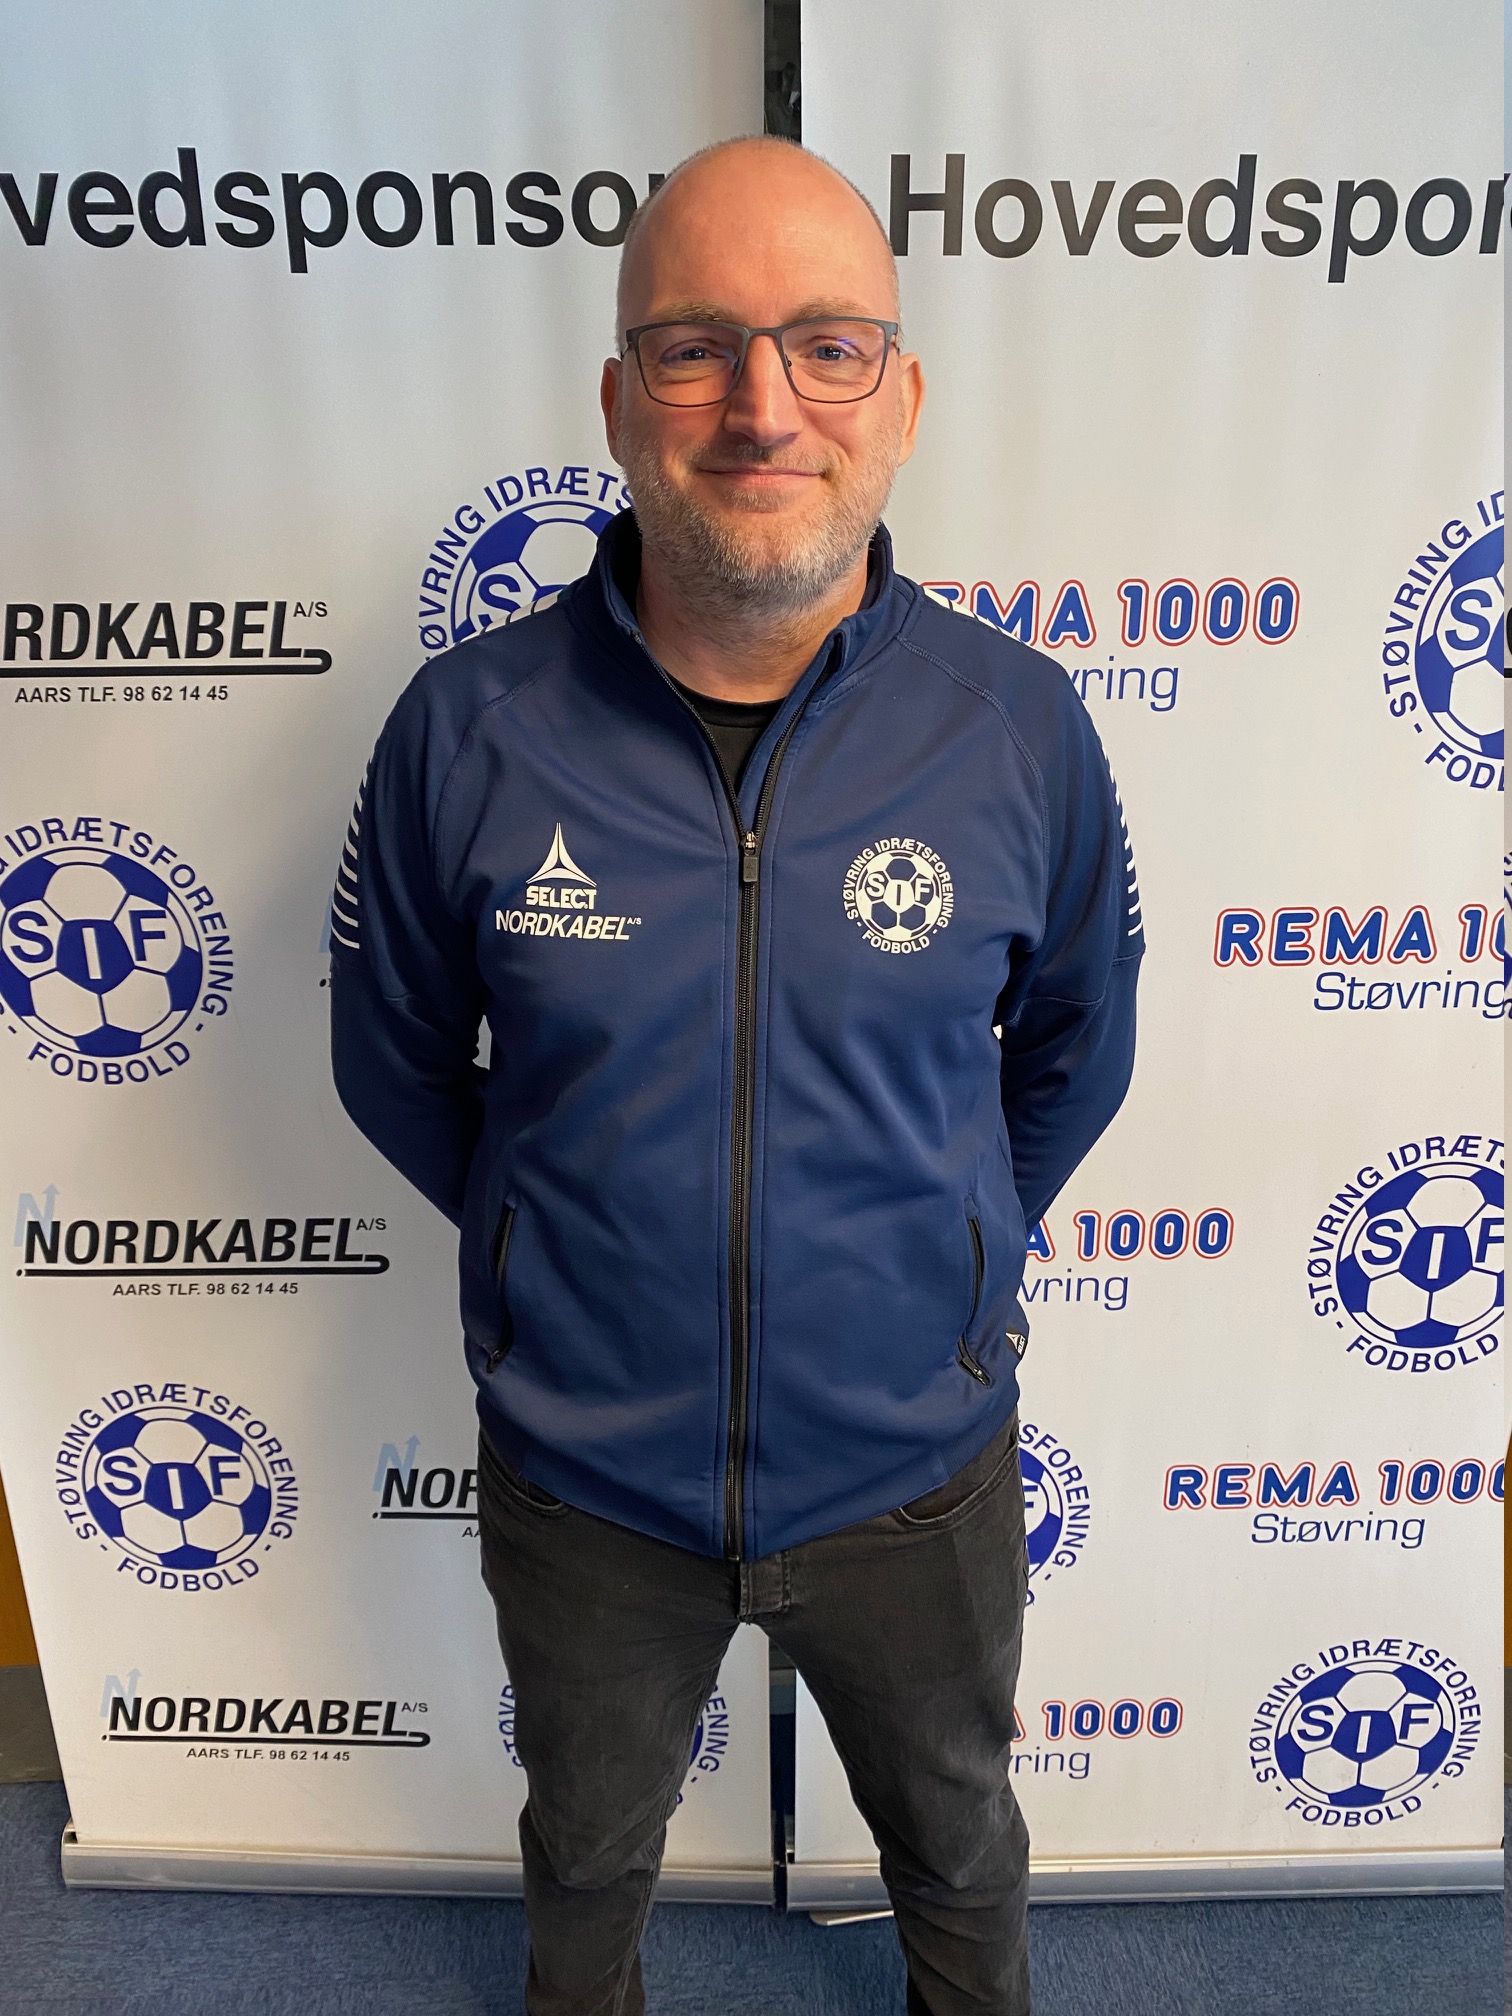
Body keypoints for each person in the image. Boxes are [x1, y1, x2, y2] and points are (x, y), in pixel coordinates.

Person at [330, 135, 1142, 2016]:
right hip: (586, 1482)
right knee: (585, 1854)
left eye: (827, 347)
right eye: (695, 348)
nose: (763, 408)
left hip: (917, 1473)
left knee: (959, 1845)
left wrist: (938, 1249)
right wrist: (560, 1245)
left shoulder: (1018, 727)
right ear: (620, 400)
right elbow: (395, 1064)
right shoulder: (467, 731)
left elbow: (1078, 1049)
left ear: (902, 399)